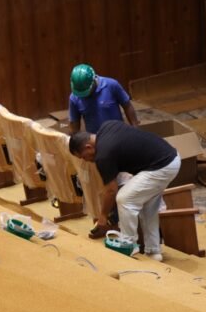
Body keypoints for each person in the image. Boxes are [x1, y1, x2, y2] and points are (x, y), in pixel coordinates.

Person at [69, 122, 180, 261]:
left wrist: (103, 217)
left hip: (161, 166)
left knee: (124, 198)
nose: (85, 160)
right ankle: (153, 252)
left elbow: (111, 190)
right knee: (148, 206)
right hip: (169, 157)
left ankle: (128, 245)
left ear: (88, 147)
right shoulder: (107, 126)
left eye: (83, 156)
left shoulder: (103, 156)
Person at [68, 63, 139, 134]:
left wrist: (135, 128)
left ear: (93, 81)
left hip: (118, 134)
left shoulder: (111, 85)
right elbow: (74, 126)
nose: (83, 96)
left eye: (85, 92)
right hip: (96, 139)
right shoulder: (74, 98)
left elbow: (127, 106)